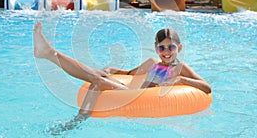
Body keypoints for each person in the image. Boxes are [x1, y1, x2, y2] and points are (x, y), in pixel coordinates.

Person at [33, 22, 211, 133]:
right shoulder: (151, 63)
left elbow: (206, 87)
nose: (166, 52)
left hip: (138, 98)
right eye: (162, 48)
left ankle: (50, 54)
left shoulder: (179, 68)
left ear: (179, 48)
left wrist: (181, 80)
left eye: (171, 47)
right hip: (133, 92)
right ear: (156, 48)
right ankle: (79, 118)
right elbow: (128, 74)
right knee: (100, 75)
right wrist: (112, 68)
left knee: (99, 81)